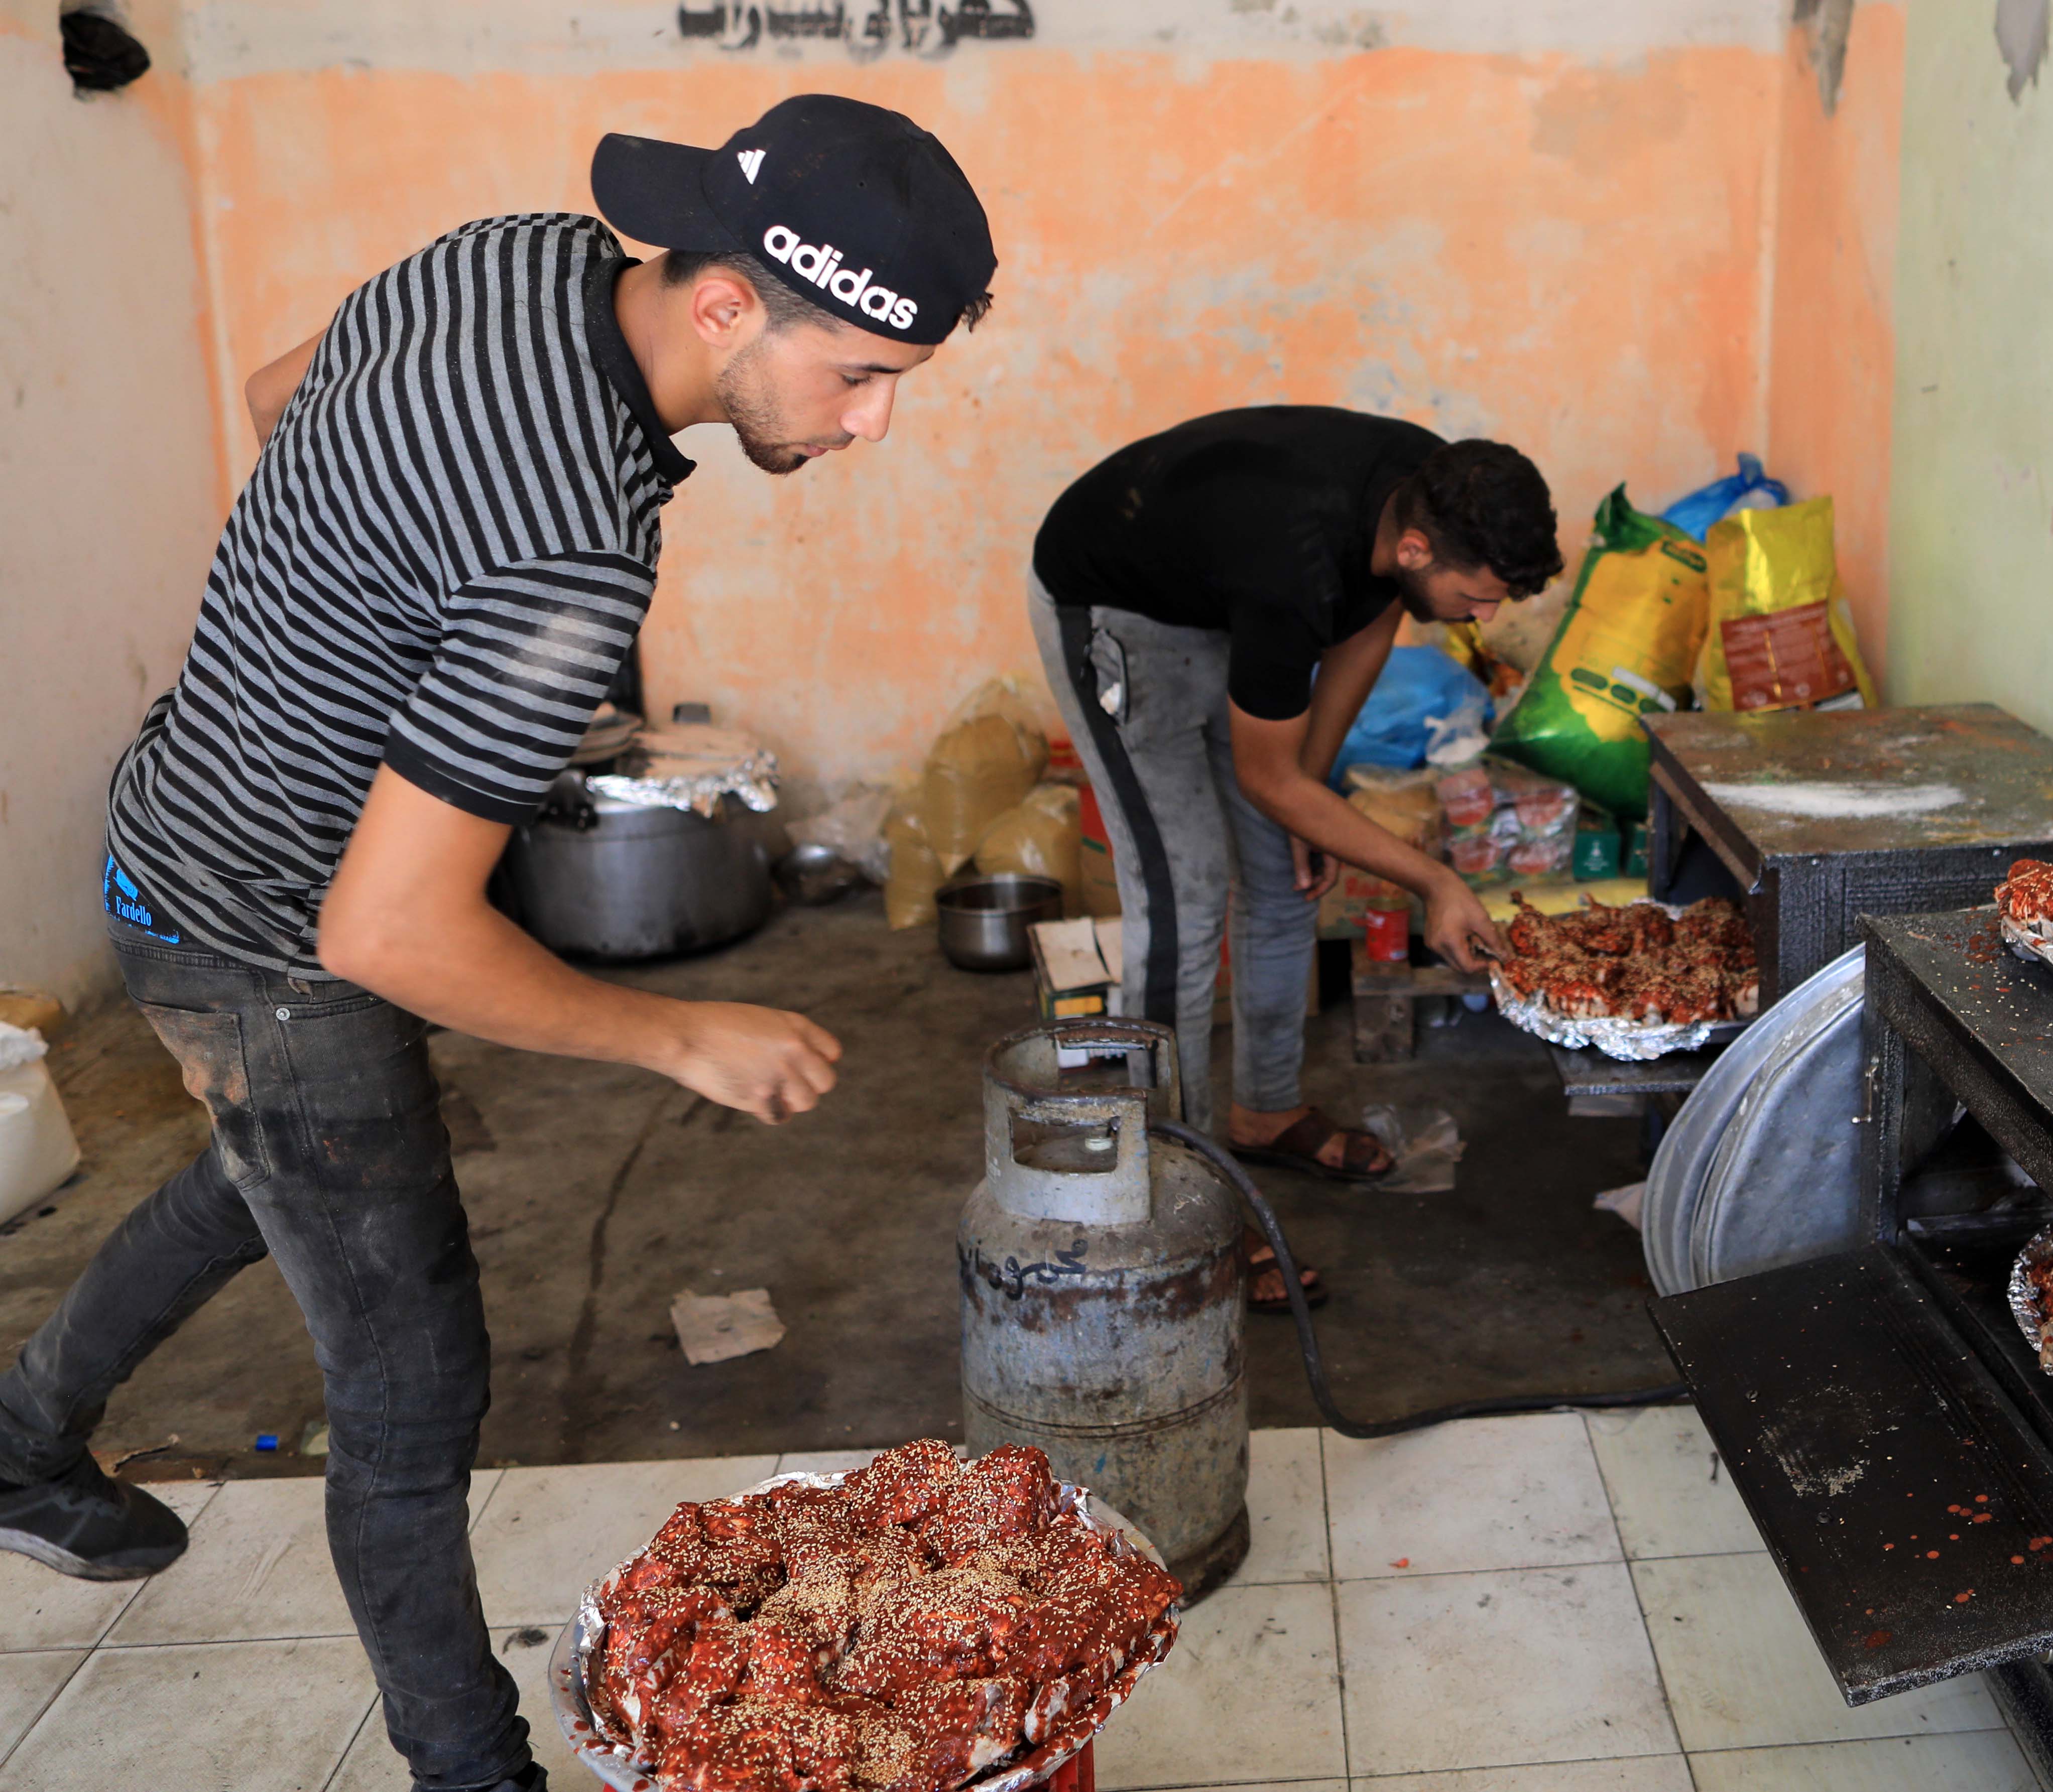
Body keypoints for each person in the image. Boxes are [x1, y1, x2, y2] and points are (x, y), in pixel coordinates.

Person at [0, 96, 994, 1792]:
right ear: (726, 306)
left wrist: (353, 608)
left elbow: (271, 402)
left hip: (172, 821)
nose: (876, 423)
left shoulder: (504, 257)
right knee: (408, 1375)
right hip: (270, 938)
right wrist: (685, 1036)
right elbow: (388, 930)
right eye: (857, 373)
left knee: (270, 1179)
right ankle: (476, 1772)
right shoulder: (569, 551)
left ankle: (16, 1440)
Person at [1029, 407, 1562, 1306]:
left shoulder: (1428, 490)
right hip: (1112, 609)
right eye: (1482, 594)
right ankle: (1166, 1200)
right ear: (1422, 548)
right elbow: (1267, 773)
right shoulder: (1293, 563)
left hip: (1214, 597)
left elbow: (1365, 629)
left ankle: (1265, 1108)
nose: (1488, 615)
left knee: (1284, 870)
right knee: (1183, 892)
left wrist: (1308, 802)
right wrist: (1434, 877)